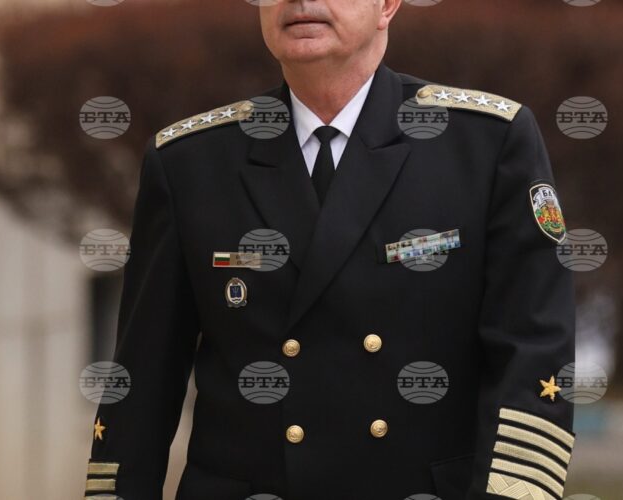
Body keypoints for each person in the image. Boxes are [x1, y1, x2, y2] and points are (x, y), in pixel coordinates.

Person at [83, 1, 575, 499]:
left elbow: (533, 354)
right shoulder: (191, 162)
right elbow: (142, 382)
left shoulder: (484, 144)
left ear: (387, 5)